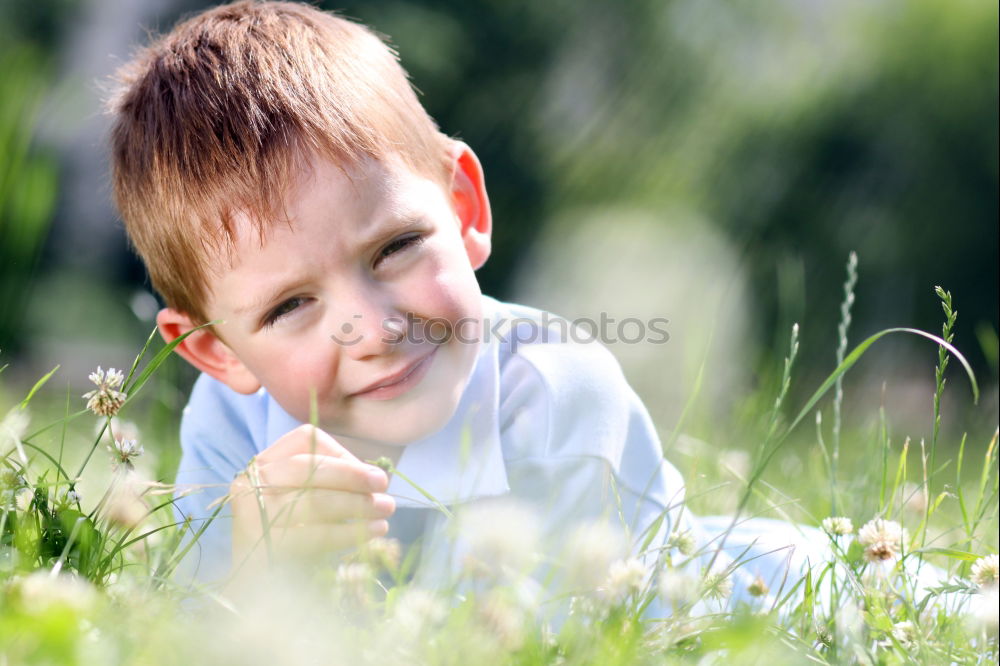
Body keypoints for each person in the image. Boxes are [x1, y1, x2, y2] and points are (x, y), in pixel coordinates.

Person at [106, 0, 832, 610]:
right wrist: (259, 566)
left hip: (764, 592)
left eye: (395, 248)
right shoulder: (230, 422)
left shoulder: (557, 399)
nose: (377, 328)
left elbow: (515, 643)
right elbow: (203, 636)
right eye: (291, 305)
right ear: (217, 350)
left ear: (465, 208)